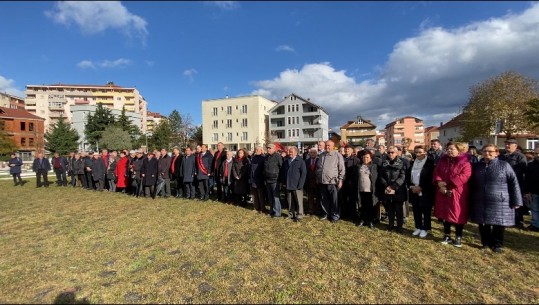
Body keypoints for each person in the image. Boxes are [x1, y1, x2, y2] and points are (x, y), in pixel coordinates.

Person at [470, 144, 523, 253]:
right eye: (484, 151)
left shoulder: (504, 165)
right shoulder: (478, 166)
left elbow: (514, 182)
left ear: (496, 153)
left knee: (498, 224)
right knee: (483, 223)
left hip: (500, 200)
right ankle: (485, 243)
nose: (487, 153)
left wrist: (516, 200)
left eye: (490, 151)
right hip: (481, 199)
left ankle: (497, 244)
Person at [433, 142, 472, 247]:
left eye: (452, 149)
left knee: (458, 214)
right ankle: (447, 234)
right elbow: (437, 172)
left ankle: (458, 236)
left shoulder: (465, 163)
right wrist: (440, 183)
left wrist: (449, 185)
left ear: (458, 150)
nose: (449, 151)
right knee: (445, 214)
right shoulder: (443, 161)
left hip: (457, 192)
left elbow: (464, 176)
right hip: (443, 191)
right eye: (448, 149)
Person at [406, 145, 435, 238]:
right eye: (416, 152)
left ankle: (425, 228)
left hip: (425, 191)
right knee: (416, 210)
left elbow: (431, 178)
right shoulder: (412, 162)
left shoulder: (430, 163)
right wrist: (411, 187)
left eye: (420, 152)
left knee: (426, 211)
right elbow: (408, 176)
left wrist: (421, 187)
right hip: (414, 189)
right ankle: (418, 227)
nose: (418, 154)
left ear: (425, 152)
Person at [499, 138, 527, 229]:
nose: (507, 146)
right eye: (506, 144)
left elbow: (522, 169)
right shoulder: (502, 156)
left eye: (509, 144)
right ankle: (508, 219)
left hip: (516, 183)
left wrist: (510, 176)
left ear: (515, 146)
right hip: (503, 183)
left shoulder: (520, 156)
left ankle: (519, 221)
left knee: (517, 201)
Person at [377, 146, 407, 233]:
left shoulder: (401, 163)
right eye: (389, 152)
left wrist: (394, 186)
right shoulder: (384, 163)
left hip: (398, 189)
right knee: (389, 209)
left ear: (397, 153)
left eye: (392, 152)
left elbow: (402, 176)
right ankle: (390, 225)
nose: (390, 154)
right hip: (387, 188)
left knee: (398, 209)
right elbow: (381, 176)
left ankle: (399, 226)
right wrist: (386, 186)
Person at [316, 140, 345, 222]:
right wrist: (317, 178)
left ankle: (334, 215)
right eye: (326, 145)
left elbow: (341, 168)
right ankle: (325, 214)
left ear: (333, 146)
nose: (327, 147)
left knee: (334, 199)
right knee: (324, 199)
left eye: (329, 145)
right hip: (322, 181)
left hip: (332, 182)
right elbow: (318, 168)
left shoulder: (337, 155)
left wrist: (340, 180)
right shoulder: (322, 155)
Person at [280, 146, 307, 221]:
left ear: (296, 152)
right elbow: (283, 173)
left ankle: (299, 214)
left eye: (291, 152)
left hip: (297, 185)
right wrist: (283, 182)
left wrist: (301, 185)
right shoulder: (286, 161)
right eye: (288, 152)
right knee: (290, 201)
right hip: (288, 184)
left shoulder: (300, 161)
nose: (289, 153)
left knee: (298, 201)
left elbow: (303, 173)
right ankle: (291, 214)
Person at [357, 150, 378, 229]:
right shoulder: (359, 166)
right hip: (361, 189)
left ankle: (371, 221)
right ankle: (363, 219)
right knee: (362, 205)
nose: (365, 159)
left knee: (370, 206)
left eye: (367, 157)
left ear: (370, 158)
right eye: (364, 157)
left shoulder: (374, 166)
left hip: (370, 190)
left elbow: (375, 178)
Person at [264, 144, 283, 217]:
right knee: (270, 197)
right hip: (268, 180)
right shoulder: (266, 157)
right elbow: (264, 168)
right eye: (268, 148)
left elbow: (281, 168)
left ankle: (277, 213)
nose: (268, 149)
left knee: (276, 197)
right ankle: (271, 211)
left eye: (270, 148)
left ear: (274, 149)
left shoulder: (278, 156)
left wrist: (280, 180)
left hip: (275, 180)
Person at [342, 146, 360, 221]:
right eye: (346, 149)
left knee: (352, 199)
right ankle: (344, 213)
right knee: (343, 198)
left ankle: (352, 214)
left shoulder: (356, 160)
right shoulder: (341, 158)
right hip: (343, 181)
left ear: (352, 150)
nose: (347, 151)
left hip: (352, 182)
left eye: (348, 149)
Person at [525, 147, 539, 232]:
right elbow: (527, 179)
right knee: (535, 209)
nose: (537, 155)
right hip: (534, 191)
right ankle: (536, 225)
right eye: (536, 153)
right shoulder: (530, 165)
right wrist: (527, 191)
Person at [250, 145, 266, 213]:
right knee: (254, 195)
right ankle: (256, 207)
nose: (256, 151)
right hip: (253, 179)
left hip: (260, 179)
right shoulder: (253, 158)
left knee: (261, 195)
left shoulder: (263, 158)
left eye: (257, 150)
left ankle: (262, 208)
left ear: (261, 150)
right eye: (255, 150)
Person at [304, 148, 319, 216]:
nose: (312, 154)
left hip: (317, 182)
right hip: (309, 182)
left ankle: (318, 209)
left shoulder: (319, 160)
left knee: (318, 197)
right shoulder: (306, 161)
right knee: (310, 197)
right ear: (309, 154)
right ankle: (311, 209)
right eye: (311, 153)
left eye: (314, 153)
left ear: (316, 153)